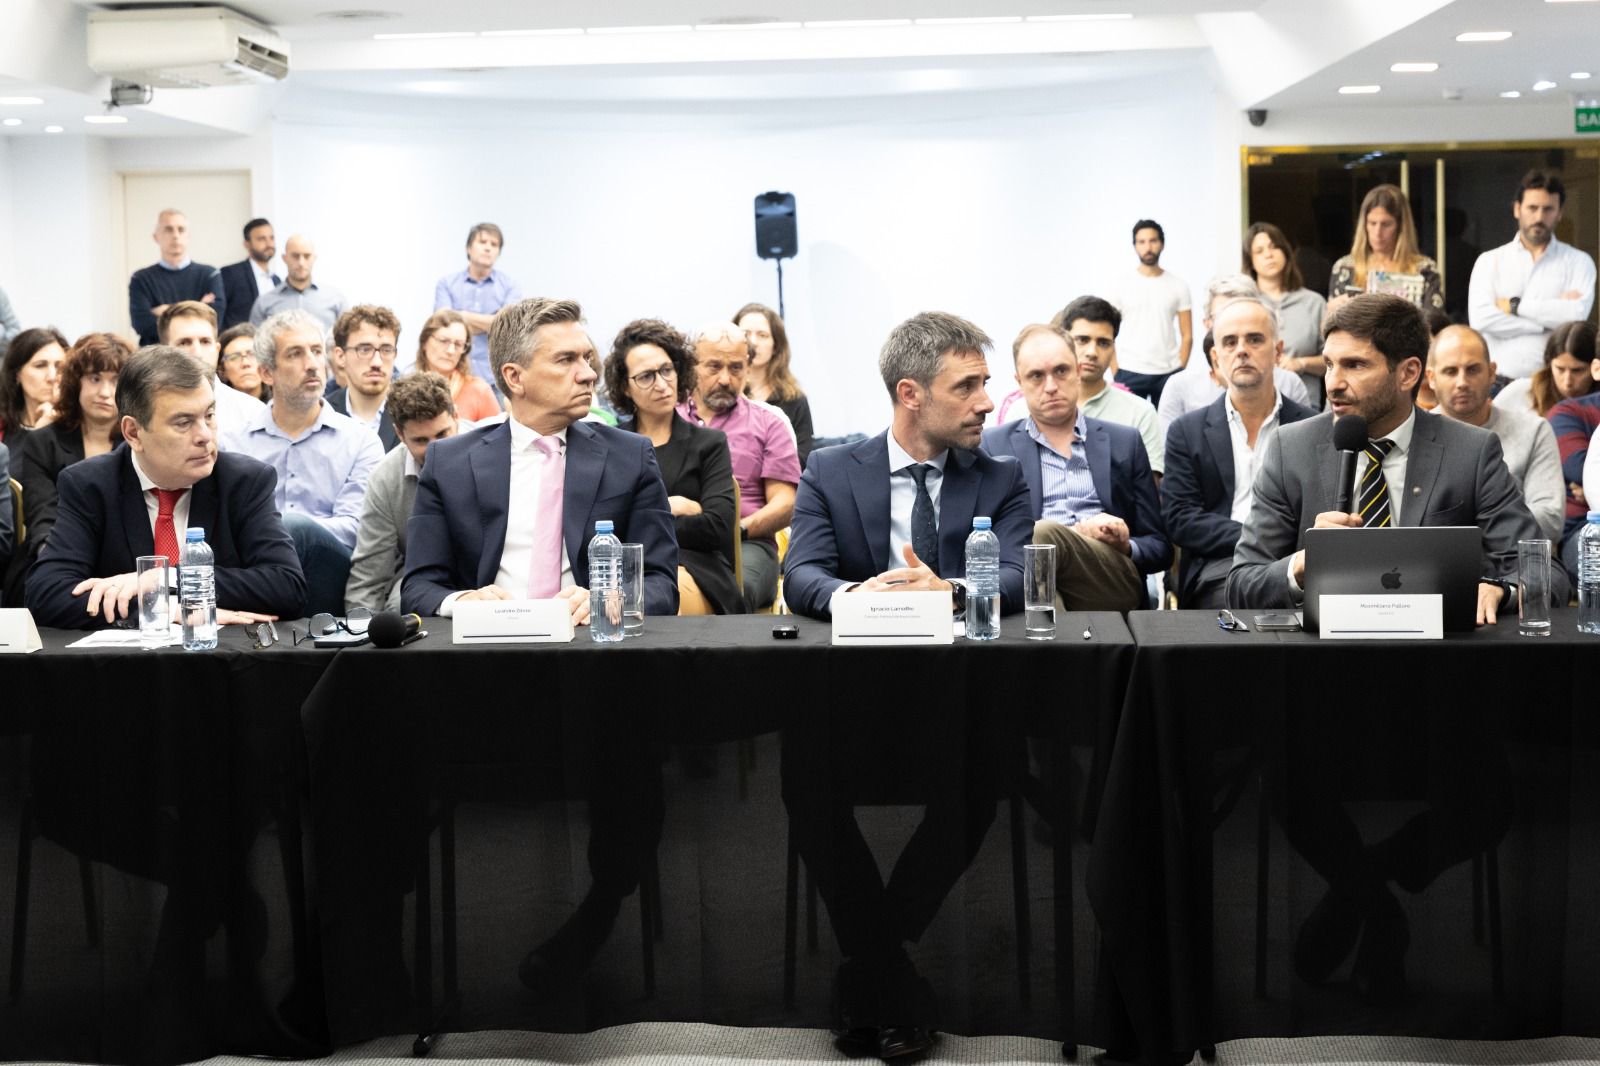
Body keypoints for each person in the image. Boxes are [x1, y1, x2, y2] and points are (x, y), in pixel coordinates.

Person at [781, 311, 1029, 1060]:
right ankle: (891, 976)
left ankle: (870, 970)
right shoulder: (832, 469)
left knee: (985, 778)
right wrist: (857, 595)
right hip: (855, 696)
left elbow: (1015, 577)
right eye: (968, 387)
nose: (987, 402)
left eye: (985, 384)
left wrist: (948, 591)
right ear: (911, 393)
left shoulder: (1001, 476)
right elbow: (802, 576)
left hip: (956, 698)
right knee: (805, 784)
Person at [1227, 294, 1566, 622]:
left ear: (1408, 373)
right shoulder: (1291, 449)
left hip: (1439, 650)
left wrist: (1500, 591)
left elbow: (1545, 572)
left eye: (1354, 365)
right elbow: (1241, 585)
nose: (1333, 384)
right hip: (1325, 651)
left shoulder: (1471, 451)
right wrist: (1301, 565)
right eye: (1329, 364)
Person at [402, 297, 677, 621]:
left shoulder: (630, 456)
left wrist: (606, 601)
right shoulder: (449, 464)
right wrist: (463, 601)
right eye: (566, 360)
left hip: (589, 639)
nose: (588, 374)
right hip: (487, 642)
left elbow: (661, 584)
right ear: (515, 377)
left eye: (586, 358)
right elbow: (419, 588)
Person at [25, 344, 304, 628]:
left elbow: (286, 586)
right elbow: (46, 594)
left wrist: (165, 578)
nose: (205, 436)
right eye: (183, 422)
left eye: (209, 416)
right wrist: (163, 610)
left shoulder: (244, 481)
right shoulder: (90, 485)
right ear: (133, 433)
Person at [983, 323, 1169, 611]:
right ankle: (1055, 636)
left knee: (1041, 536)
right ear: (1019, 382)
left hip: (1110, 576)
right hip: (1031, 580)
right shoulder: (995, 446)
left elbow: (1160, 547)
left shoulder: (1124, 442)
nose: (1051, 386)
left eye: (1061, 371)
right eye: (1036, 376)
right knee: (1041, 565)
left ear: (1078, 371)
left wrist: (1124, 544)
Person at [1162, 298, 1317, 608]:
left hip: (1297, 561)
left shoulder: (1312, 427)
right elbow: (1180, 517)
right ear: (1216, 357)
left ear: (1277, 351)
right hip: (1221, 563)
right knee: (1241, 604)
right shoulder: (1187, 431)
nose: (1242, 350)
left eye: (1254, 339)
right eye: (1230, 342)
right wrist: (1257, 537)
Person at [234, 309, 384, 616]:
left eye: (316, 351)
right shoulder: (234, 443)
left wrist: (280, 534)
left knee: (296, 527)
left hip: (331, 568)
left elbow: (356, 528)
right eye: (295, 354)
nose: (313, 364)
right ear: (267, 372)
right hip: (258, 569)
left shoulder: (360, 441)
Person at [605, 317, 741, 615]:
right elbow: (604, 528)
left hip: (695, 566)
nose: (662, 384)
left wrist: (641, 520)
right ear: (625, 387)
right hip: (628, 569)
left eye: (667, 370)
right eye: (646, 376)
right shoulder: (611, 445)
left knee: (663, 595)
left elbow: (717, 527)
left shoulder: (709, 443)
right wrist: (669, 507)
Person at [677, 322, 801, 610]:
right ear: (692, 365)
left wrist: (735, 531)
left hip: (747, 543)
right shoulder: (668, 418)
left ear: (748, 367)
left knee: (732, 591)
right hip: (678, 539)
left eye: (735, 368)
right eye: (714, 367)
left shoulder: (769, 422)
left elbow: (786, 503)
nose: (725, 379)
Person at [11, 333, 131, 605]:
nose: (104, 392)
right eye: (94, 378)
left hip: (124, 566)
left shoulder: (139, 442)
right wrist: (59, 566)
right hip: (56, 555)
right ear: (76, 381)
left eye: (115, 381)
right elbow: (42, 515)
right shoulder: (43, 442)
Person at [1429, 325, 1564, 543]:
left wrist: (1461, 535)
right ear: (1431, 377)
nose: (1462, 382)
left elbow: (1550, 520)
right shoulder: (1413, 434)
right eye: (1450, 371)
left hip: (1513, 561)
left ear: (1492, 372)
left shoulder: (1534, 431)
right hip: (1433, 562)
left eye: (1472, 369)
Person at [344, 372, 460, 615]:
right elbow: (370, 574)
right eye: (421, 440)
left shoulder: (490, 451)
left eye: (442, 434)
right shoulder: (385, 478)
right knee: (400, 605)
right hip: (421, 574)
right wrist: (361, 631)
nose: (435, 449)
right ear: (400, 435)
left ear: (456, 417)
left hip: (488, 570)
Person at [1467, 170, 1596, 381]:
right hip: (1497, 380)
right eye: (1532, 208)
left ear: (1560, 213)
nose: (1539, 217)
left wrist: (1515, 307)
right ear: (1517, 209)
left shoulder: (1579, 262)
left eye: (1548, 209)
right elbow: (1482, 320)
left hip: (1554, 383)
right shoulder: (1490, 261)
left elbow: (1575, 317)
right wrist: (1546, 324)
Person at [1156, 275, 1311, 431]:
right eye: (1223, 315)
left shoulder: (1289, 384)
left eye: (1245, 315)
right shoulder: (1179, 387)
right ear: (1207, 323)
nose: (1241, 348)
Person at [1049, 296, 1166, 478]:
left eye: (1103, 343)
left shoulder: (1140, 413)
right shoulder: (1027, 409)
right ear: (1064, 342)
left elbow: (1149, 488)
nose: (1092, 352)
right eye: (1082, 340)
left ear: (1113, 347)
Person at [1103, 219, 1193, 405]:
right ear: (1135, 246)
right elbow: (1107, 331)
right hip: (1129, 369)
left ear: (1162, 244)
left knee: (1169, 422)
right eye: (1142, 242)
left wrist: (1180, 368)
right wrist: (1116, 370)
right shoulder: (1121, 285)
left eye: (1153, 241)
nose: (1148, 247)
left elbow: (1187, 335)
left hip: (1168, 371)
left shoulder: (1178, 285)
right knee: (1128, 423)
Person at [157, 301, 265, 450]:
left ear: (217, 349)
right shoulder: (150, 411)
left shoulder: (252, 413)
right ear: (164, 352)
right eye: (184, 343)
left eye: (205, 342)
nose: (197, 353)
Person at [1244, 222, 1329, 405]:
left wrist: (1301, 363)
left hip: (1305, 408)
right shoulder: (1245, 304)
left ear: (1286, 252)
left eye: (1274, 247)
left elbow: (1333, 360)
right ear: (1250, 261)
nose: (1269, 254)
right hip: (1253, 407)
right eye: (1259, 251)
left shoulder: (1314, 303)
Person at [1328, 184, 1443, 316]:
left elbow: (1435, 318)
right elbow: (1330, 325)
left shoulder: (1425, 269)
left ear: (1401, 226)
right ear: (1364, 225)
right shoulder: (1345, 268)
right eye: (1372, 223)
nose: (1378, 232)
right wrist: (1332, 310)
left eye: (1386, 224)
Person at [434, 222, 521, 389]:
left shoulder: (510, 286)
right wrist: (491, 322)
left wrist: (462, 316)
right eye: (482, 242)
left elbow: (507, 326)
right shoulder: (446, 284)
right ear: (468, 248)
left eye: (494, 244)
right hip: (452, 377)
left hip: (495, 379)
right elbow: (443, 323)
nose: (488, 248)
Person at [128, 209, 225, 346]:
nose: (175, 235)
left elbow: (214, 321)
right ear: (156, 237)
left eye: (181, 229)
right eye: (168, 229)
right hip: (155, 355)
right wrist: (197, 306)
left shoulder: (210, 275)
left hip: (198, 354)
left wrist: (165, 310)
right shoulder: (140, 278)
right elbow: (142, 324)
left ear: (188, 235)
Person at [734, 301, 814, 468]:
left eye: (762, 335)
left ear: (776, 345)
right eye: (745, 334)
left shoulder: (794, 399)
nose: (753, 342)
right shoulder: (724, 394)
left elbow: (802, 459)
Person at [1548, 338, 1600, 577]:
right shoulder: (1567, 413)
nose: (1568, 380)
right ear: (1596, 369)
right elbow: (1581, 471)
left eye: (1576, 370)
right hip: (1586, 527)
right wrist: (1590, 488)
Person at [326, 305, 403, 452]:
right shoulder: (323, 414)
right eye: (364, 350)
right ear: (340, 356)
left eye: (386, 350)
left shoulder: (415, 414)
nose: (377, 362)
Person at [1493, 321, 1596, 418]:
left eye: (1577, 371)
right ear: (1549, 364)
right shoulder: (1522, 392)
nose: (1567, 382)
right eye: (1560, 369)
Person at [413, 308, 500, 422]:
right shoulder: (406, 389)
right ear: (424, 341)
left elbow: (498, 432)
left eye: (458, 344)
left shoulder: (480, 391)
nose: (451, 350)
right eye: (443, 341)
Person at [249, 234, 345, 330]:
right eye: (295, 256)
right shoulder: (264, 303)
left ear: (314, 258)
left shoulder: (335, 299)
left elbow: (346, 335)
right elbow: (254, 338)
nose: (301, 263)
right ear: (284, 258)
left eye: (307, 256)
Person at [0, 326, 68, 445]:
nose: (52, 377)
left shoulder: (80, 428)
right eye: (40, 365)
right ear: (17, 374)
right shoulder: (3, 427)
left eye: (60, 367)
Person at [217, 217, 280, 331]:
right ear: (247, 244)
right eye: (261, 239)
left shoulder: (277, 280)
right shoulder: (231, 274)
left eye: (271, 238)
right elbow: (219, 313)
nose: (269, 243)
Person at [217, 322, 269, 402]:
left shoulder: (281, 403)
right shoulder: (215, 407)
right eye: (234, 357)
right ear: (222, 371)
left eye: (253, 354)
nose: (245, 363)